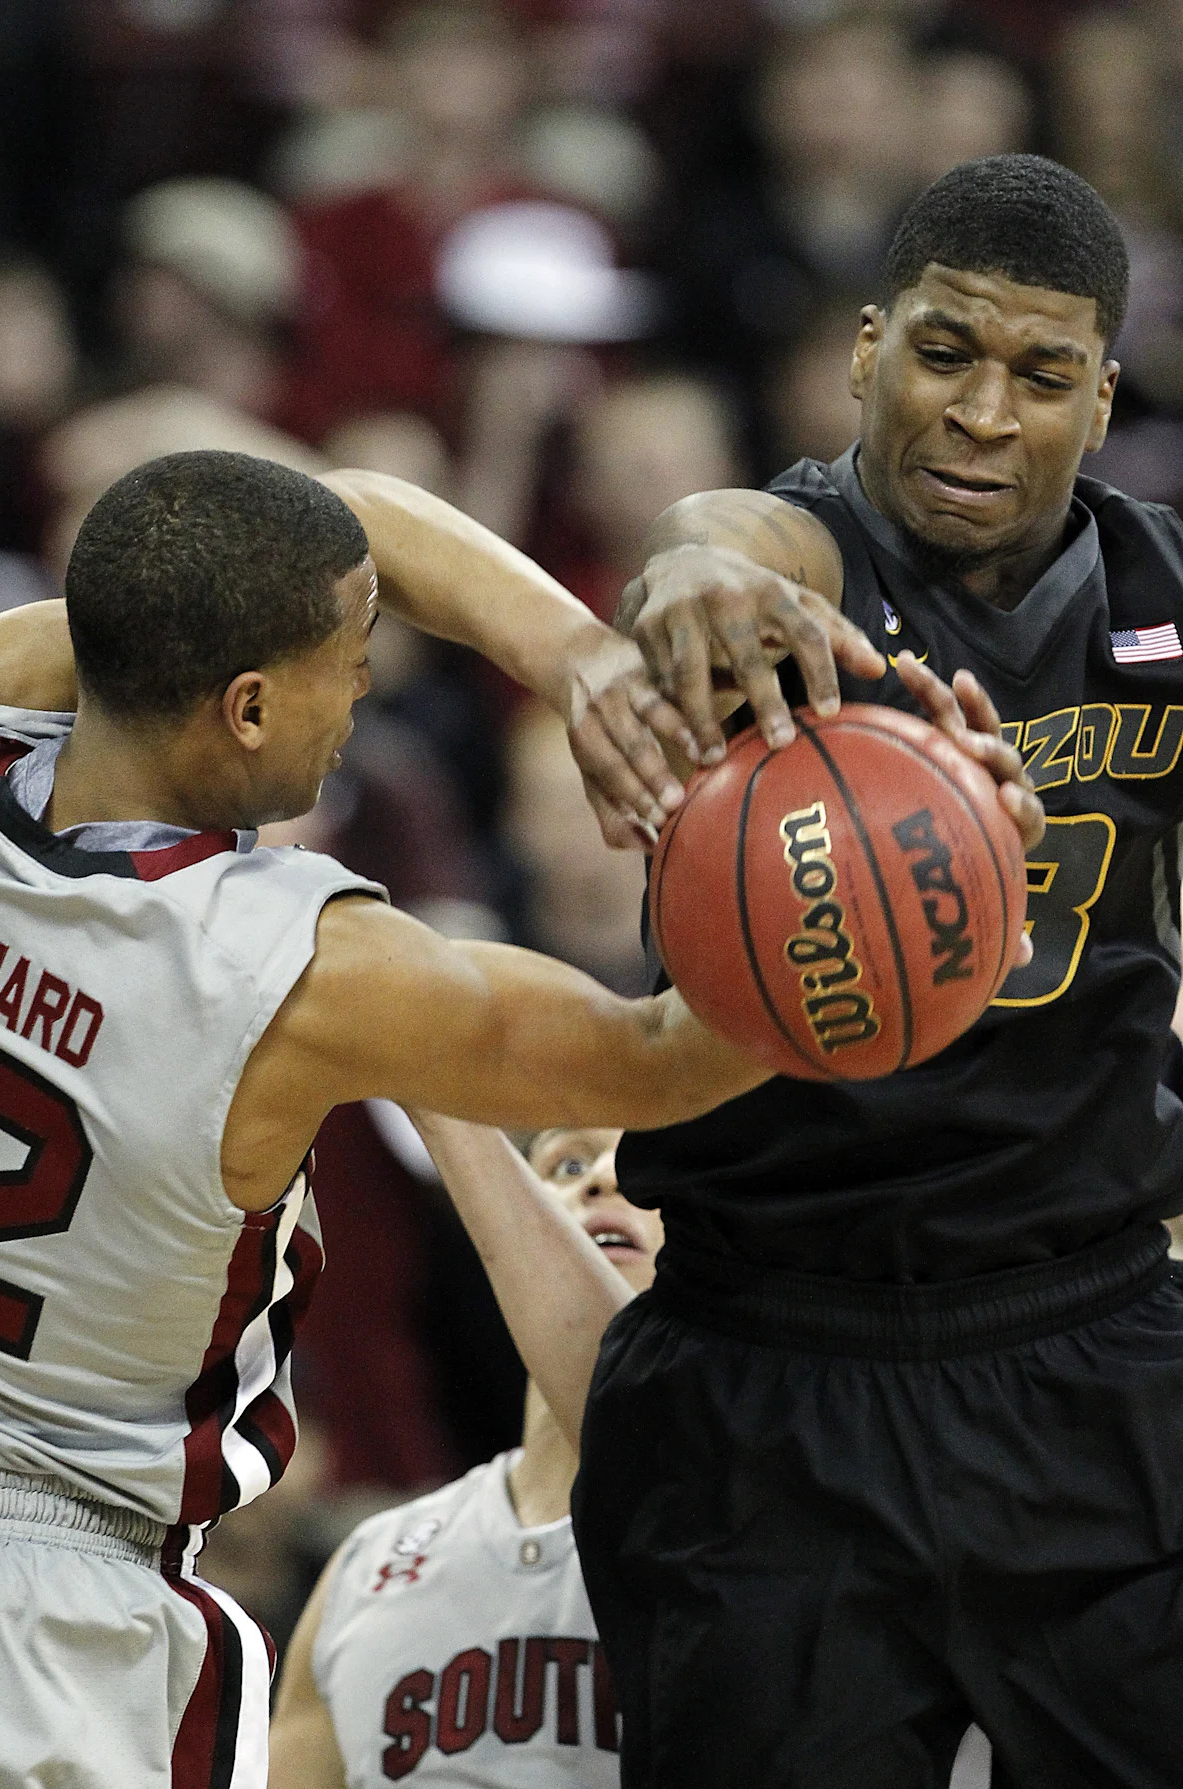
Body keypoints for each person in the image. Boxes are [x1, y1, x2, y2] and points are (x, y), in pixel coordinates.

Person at [0, 448, 791, 1789]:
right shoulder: (293, 969)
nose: (365, 687)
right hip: (49, 1610)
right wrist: (889, 910)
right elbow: (659, 1059)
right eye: (349, 662)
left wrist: (584, 662)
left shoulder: (6, 692)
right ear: (248, 706)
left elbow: (303, 528)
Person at [563, 153, 1183, 1787]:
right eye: (944, 352)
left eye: (1042, 374)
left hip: (1096, 1336)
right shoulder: (804, 569)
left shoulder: (1163, 600)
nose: (983, 412)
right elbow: (723, 538)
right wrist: (690, 564)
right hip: (771, 1367)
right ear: (865, 351)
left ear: (1101, 397)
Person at [268, 1122, 655, 1789]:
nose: (603, 1178)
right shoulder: (368, 1566)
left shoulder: (755, 1530)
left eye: (651, 1170)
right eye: (567, 1164)